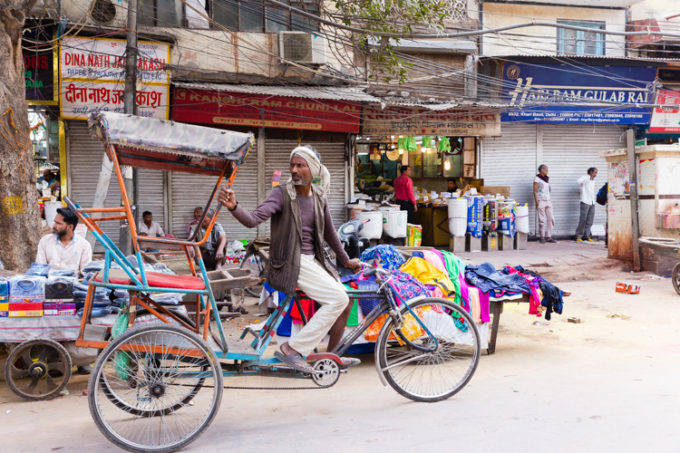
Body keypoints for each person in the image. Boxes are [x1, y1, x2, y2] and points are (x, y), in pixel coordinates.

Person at [218, 145, 361, 373]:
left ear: (312, 169)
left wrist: (346, 261)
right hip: (290, 263)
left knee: (346, 299)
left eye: (299, 165)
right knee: (337, 299)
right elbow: (253, 219)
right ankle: (294, 348)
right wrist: (234, 207)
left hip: (312, 261)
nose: (294, 170)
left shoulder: (319, 197)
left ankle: (331, 356)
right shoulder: (282, 194)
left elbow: (330, 234)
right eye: (292, 165)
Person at [36, 207, 92, 274]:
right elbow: (40, 267)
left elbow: (86, 271)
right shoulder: (45, 241)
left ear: (70, 227)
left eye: (58, 223)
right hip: (49, 281)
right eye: (54, 222)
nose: (54, 226)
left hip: (72, 282)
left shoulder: (84, 245)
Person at [534, 164, 556, 244]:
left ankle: (548, 236)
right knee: (542, 220)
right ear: (541, 170)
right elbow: (535, 191)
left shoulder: (547, 179)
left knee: (551, 219)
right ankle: (542, 237)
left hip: (548, 200)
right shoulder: (537, 178)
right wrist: (537, 202)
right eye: (546, 170)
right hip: (541, 201)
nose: (547, 171)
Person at [576, 167, 598, 242]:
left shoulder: (593, 181)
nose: (596, 174)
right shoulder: (585, 177)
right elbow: (578, 181)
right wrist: (587, 178)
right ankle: (579, 235)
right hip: (585, 201)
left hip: (592, 202)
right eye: (595, 172)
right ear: (591, 172)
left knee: (590, 220)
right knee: (583, 219)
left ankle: (587, 235)